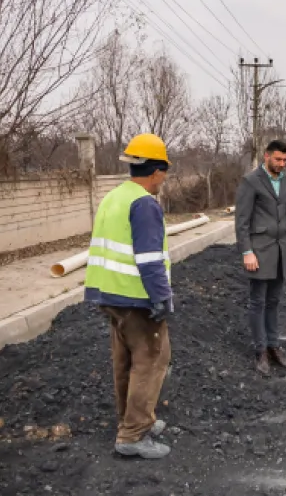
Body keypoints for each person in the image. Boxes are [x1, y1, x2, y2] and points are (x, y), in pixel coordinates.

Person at [84, 133, 174, 459]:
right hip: (136, 298)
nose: (164, 179)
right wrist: (162, 298)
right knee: (152, 360)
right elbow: (149, 260)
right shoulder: (145, 204)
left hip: (109, 294)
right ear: (155, 171)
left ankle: (132, 420)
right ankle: (133, 435)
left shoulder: (114, 197)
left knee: (125, 361)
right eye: (164, 173)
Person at [234, 139, 286, 375]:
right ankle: (260, 350)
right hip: (259, 251)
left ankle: (274, 346)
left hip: (281, 250)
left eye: (285, 160)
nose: (282, 164)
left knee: (274, 301)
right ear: (266, 156)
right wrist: (247, 251)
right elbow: (241, 221)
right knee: (258, 302)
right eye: (278, 159)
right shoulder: (251, 181)